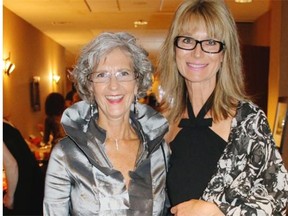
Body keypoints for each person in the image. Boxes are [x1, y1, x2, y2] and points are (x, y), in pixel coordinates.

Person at [157, 0, 288, 215]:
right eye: (188, 40)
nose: (197, 53)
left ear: (224, 54)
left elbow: (278, 196)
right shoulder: (162, 124)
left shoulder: (247, 120)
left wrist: (217, 212)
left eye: (210, 42)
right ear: (174, 49)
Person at [43, 32, 170, 215]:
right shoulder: (66, 154)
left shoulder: (159, 150)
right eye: (102, 75)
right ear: (90, 86)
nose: (113, 85)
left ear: (137, 83)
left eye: (123, 73)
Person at [3, 119, 45, 215]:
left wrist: (10, 196)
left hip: (22, 185)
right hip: (34, 179)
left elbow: (11, 164)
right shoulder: (5, 122)